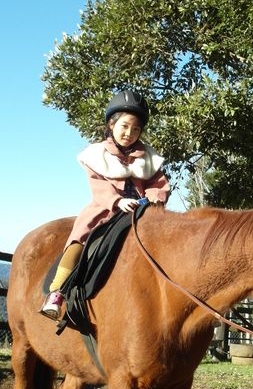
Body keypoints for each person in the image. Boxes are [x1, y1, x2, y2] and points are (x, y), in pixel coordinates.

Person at [40, 89, 170, 320]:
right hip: (105, 211)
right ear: (112, 124)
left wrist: (154, 197)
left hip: (141, 211)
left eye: (136, 128)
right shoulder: (96, 155)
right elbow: (99, 187)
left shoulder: (148, 158)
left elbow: (158, 183)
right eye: (125, 126)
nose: (129, 133)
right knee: (78, 243)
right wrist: (118, 200)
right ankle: (57, 293)